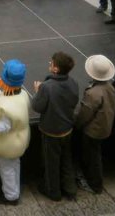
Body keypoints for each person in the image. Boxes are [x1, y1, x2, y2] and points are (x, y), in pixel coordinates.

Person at [0, 59, 31, 206]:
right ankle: (14, 189)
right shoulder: (22, 94)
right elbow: (8, 103)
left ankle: (11, 196)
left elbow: (4, 126)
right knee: (14, 165)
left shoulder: (6, 106)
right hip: (20, 141)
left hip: (8, 145)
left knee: (6, 169)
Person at [32, 51, 79, 201]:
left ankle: (53, 191)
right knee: (67, 159)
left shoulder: (47, 87)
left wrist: (38, 91)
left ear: (56, 69)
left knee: (51, 162)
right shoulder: (73, 82)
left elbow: (37, 106)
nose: (49, 64)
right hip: (67, 128)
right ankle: (70, 189)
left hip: (51, 131)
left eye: (51, 63)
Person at [75, 55, 115, 195]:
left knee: (91, 157)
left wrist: (77, 125)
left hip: (93, 131)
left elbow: (85, 114)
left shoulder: (93, 93)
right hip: (105, 127)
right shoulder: (110, 87)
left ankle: (94, 185)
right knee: (95, 154)